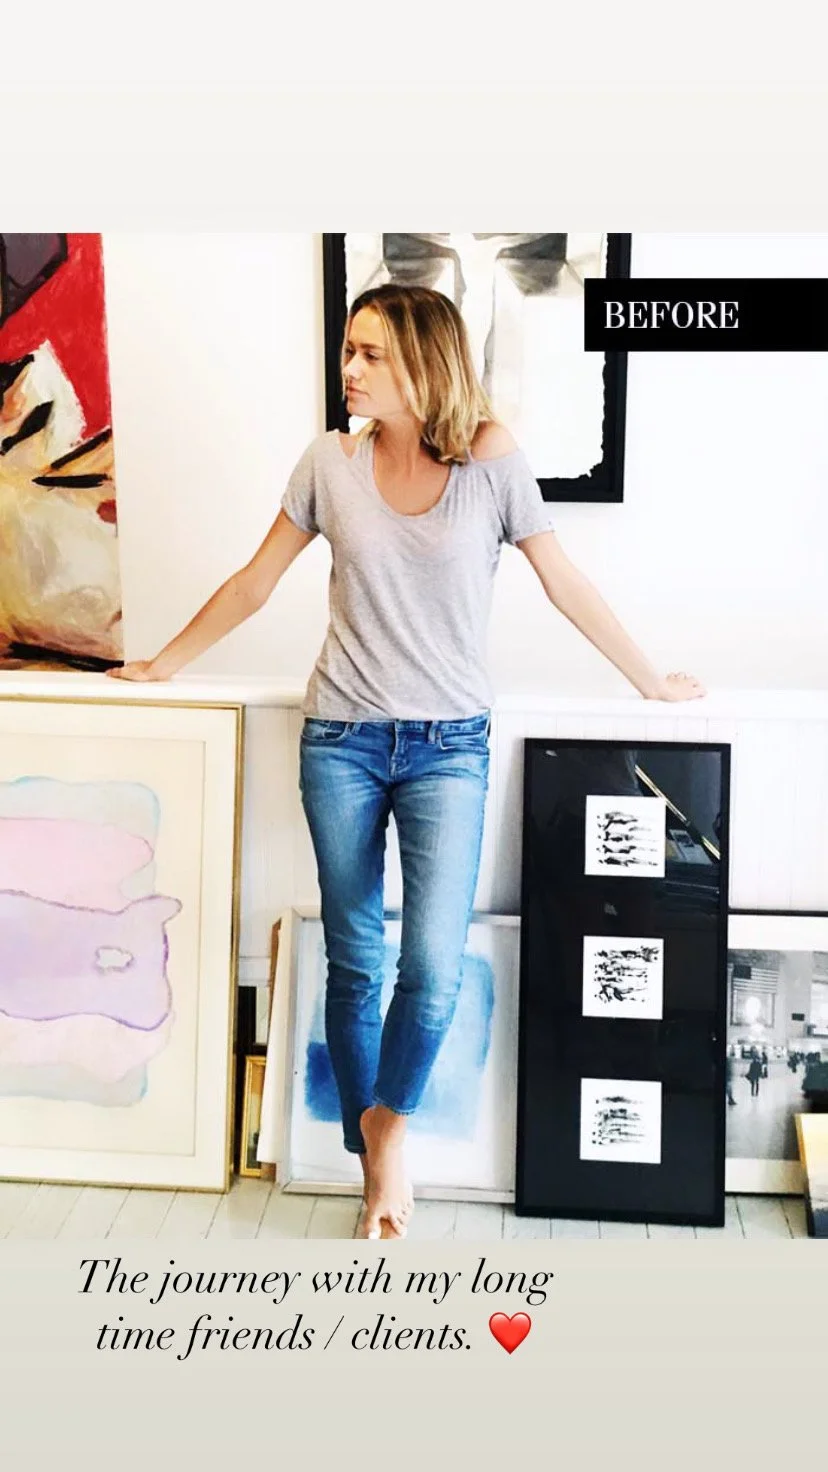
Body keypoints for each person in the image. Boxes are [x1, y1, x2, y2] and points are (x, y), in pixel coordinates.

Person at [109, 283, 705, 1240]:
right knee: (356, 962)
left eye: (370, 353)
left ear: (424, 358)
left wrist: (648, 681)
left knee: (430, 968)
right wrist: (161, 663)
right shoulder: (327, 464)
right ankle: (376, 1154)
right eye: (347, 350)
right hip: (341, 740)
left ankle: (387, 1120)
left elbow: (561, 578)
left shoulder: (491, 459)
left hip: (448, 747)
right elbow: (256, 582)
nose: (349, 369)